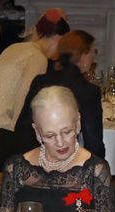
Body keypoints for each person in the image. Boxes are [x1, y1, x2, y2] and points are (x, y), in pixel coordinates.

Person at [0, 86, 114, 212]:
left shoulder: (95, 170)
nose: (60, 143)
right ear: (37, 132)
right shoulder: (16, 167)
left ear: (78, 123)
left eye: (66, 132)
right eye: (50, 135)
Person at [0, 8, 70, 167]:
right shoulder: (38, 57)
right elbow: (24, 102)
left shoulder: (15, 47)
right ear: (57, 39)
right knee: (52, 145)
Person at [15, 30, 105, 160]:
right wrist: (99, 170)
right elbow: (94, 142)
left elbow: (22, 125)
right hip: (64, 162)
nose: (93, 57)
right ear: (84, 56)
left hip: (29, 158)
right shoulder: (88, 91)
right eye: (92, 52)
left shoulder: (40, 81)